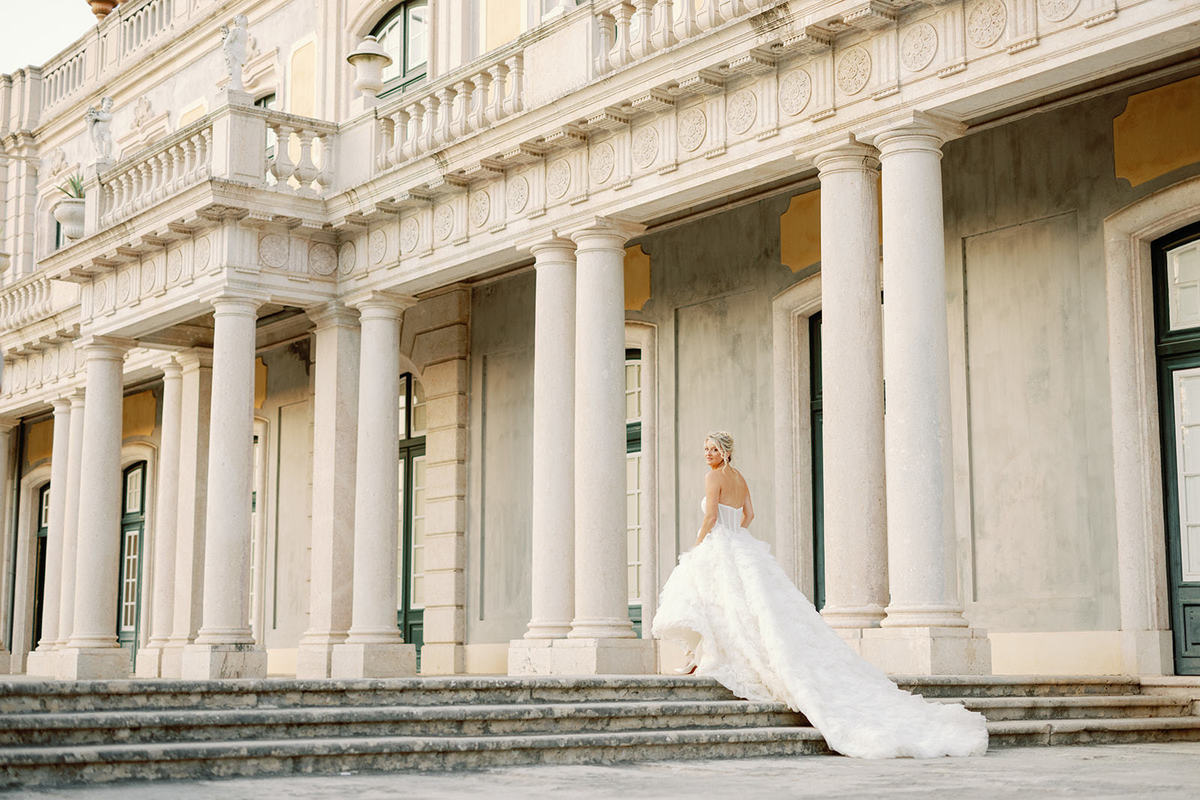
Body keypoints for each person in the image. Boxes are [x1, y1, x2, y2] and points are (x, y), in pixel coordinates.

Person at [651, 430, 989, 759]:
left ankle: (704, 657)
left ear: (725, 452)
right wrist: (736, 538)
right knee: (737, 605)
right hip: (740, 545)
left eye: (712, 449)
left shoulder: (715, 478)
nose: (706, 454)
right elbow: (749, 515)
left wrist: (700, 545)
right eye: (705, 449)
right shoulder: (739, 477)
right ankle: (700, 657)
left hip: (721, 544)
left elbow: (711, 515)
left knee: (717, 601)